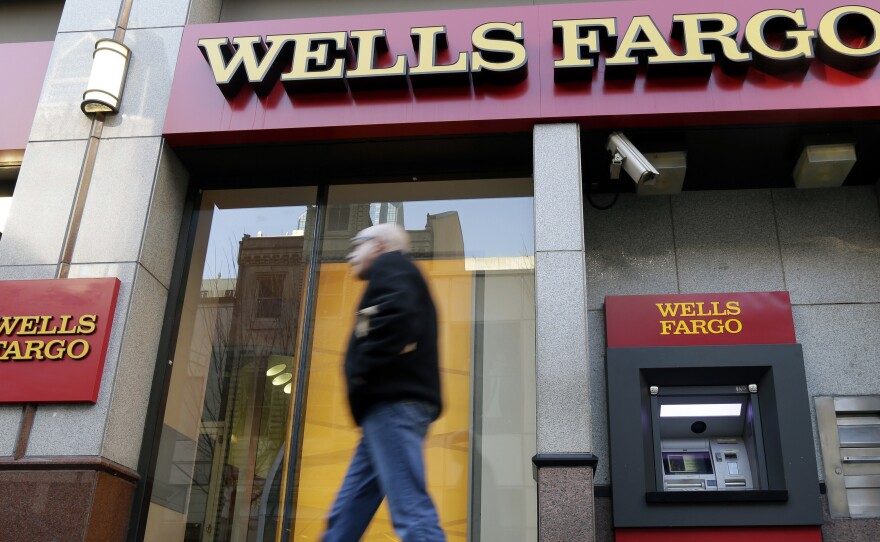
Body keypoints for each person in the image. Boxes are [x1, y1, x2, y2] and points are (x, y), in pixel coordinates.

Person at [322, 223, 446, 542]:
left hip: (392, 407)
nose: (351, 254)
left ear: (378, 245)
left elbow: (399, 316)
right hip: (385, 412)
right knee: (346, 516)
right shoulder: (397, 274)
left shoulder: (393, 267)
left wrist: (363, 367)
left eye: (356, 245)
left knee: (412, 515)